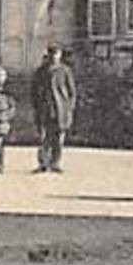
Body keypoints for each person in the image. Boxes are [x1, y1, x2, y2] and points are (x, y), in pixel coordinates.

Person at [31, 44, 77, 173]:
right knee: (44, 137)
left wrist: (69, 108)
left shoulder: (65, 71)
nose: (54, 57)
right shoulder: (41, 71)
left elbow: (72, 92)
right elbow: (34, 91)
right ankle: (43, 164)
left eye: (56, 54)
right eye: (52, 54)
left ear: (60, 55)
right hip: (45, 109)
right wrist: (37, 106)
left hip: (61, 109)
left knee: (58, 138)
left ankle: (55, 163)